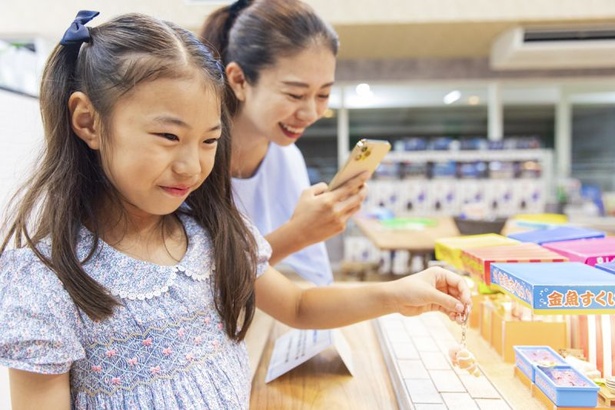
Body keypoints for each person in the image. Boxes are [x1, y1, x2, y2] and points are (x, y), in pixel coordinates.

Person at [0, 10, 471, 409]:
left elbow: (299, 305)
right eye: (168, 136)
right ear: (89, 122)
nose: (191, 165)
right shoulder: (44, 280)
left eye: (209, 141)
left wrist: (399, 293)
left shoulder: (211, 228)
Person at [200, 0, 368, 286]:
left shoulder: (287, 156)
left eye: (323, 95)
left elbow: (313, 279)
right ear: (239, 80)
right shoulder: (193, 158)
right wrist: (299, 233)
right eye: (294, 95)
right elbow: (193, 285)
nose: (311, 113)